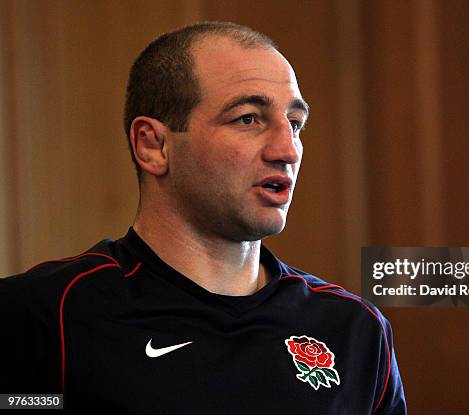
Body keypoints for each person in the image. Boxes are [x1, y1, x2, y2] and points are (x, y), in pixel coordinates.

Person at [0, 22, 406, 414]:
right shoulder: (41, 316)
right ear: (153, 145)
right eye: (248, 118)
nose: (288, 149)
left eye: (295, 124)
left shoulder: (356, 330)